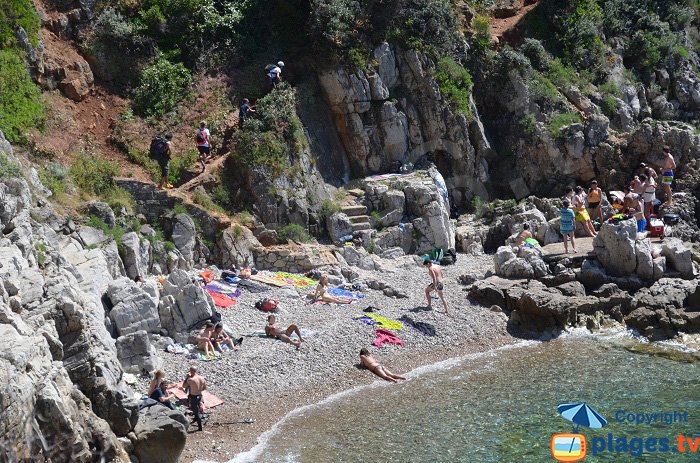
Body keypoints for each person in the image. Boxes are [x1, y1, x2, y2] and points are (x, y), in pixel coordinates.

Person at [182, 366, 206, 431]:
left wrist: (187, 377)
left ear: (191, 371)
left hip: (194, 397)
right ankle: (197, 419)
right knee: (198, 408)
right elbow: (204, 388)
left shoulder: (190, 380)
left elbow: (184, 386)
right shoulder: (202, 378)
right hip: (200, 395)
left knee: (196, 411)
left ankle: (200, 427)